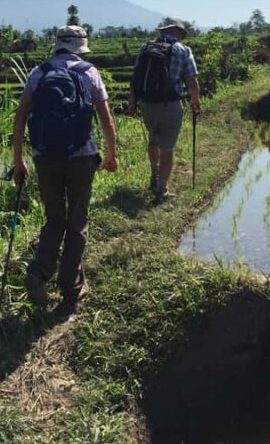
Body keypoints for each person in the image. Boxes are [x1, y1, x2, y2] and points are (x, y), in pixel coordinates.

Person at [13, 25, 118, 313]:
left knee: (53, 219)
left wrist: (19, 159)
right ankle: (71, 287)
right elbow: (106, 120)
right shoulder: (89, 72)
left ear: (58, 45)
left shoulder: (40, 72)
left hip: (45, 157)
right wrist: (111, 154)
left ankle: (38, 273)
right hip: (81, 156)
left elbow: (20, 118)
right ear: (80, 47)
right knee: (77, 221)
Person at [128, 18, 200, 203]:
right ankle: (162, 189)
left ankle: (153, 176)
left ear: (164, 31)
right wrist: (194, 101)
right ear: (179, 33)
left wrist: (132, 103)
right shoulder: (184, 50)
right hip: (170, 104)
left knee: (153, 139)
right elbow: (192, 81)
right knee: (167, 147)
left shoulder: (146, 48)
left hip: (146, 103)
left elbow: (135, 78)